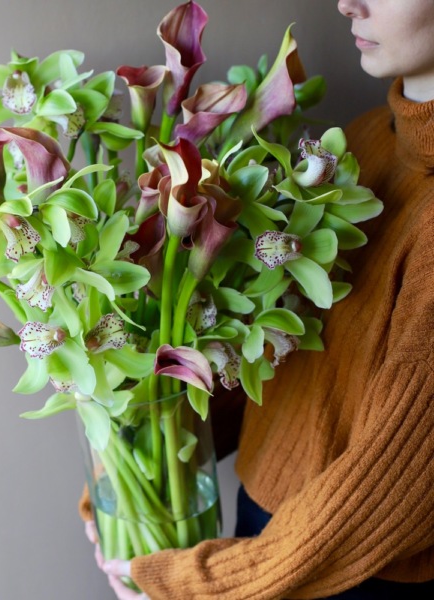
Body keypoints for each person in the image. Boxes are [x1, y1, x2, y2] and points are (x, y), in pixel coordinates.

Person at [83, 1, 434, 597]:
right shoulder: (361, 145)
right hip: (265, 541)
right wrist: (136, 449)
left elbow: (393, 490)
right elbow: (285, 353)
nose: (349, 1)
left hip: (335, 573)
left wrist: (201, 583)